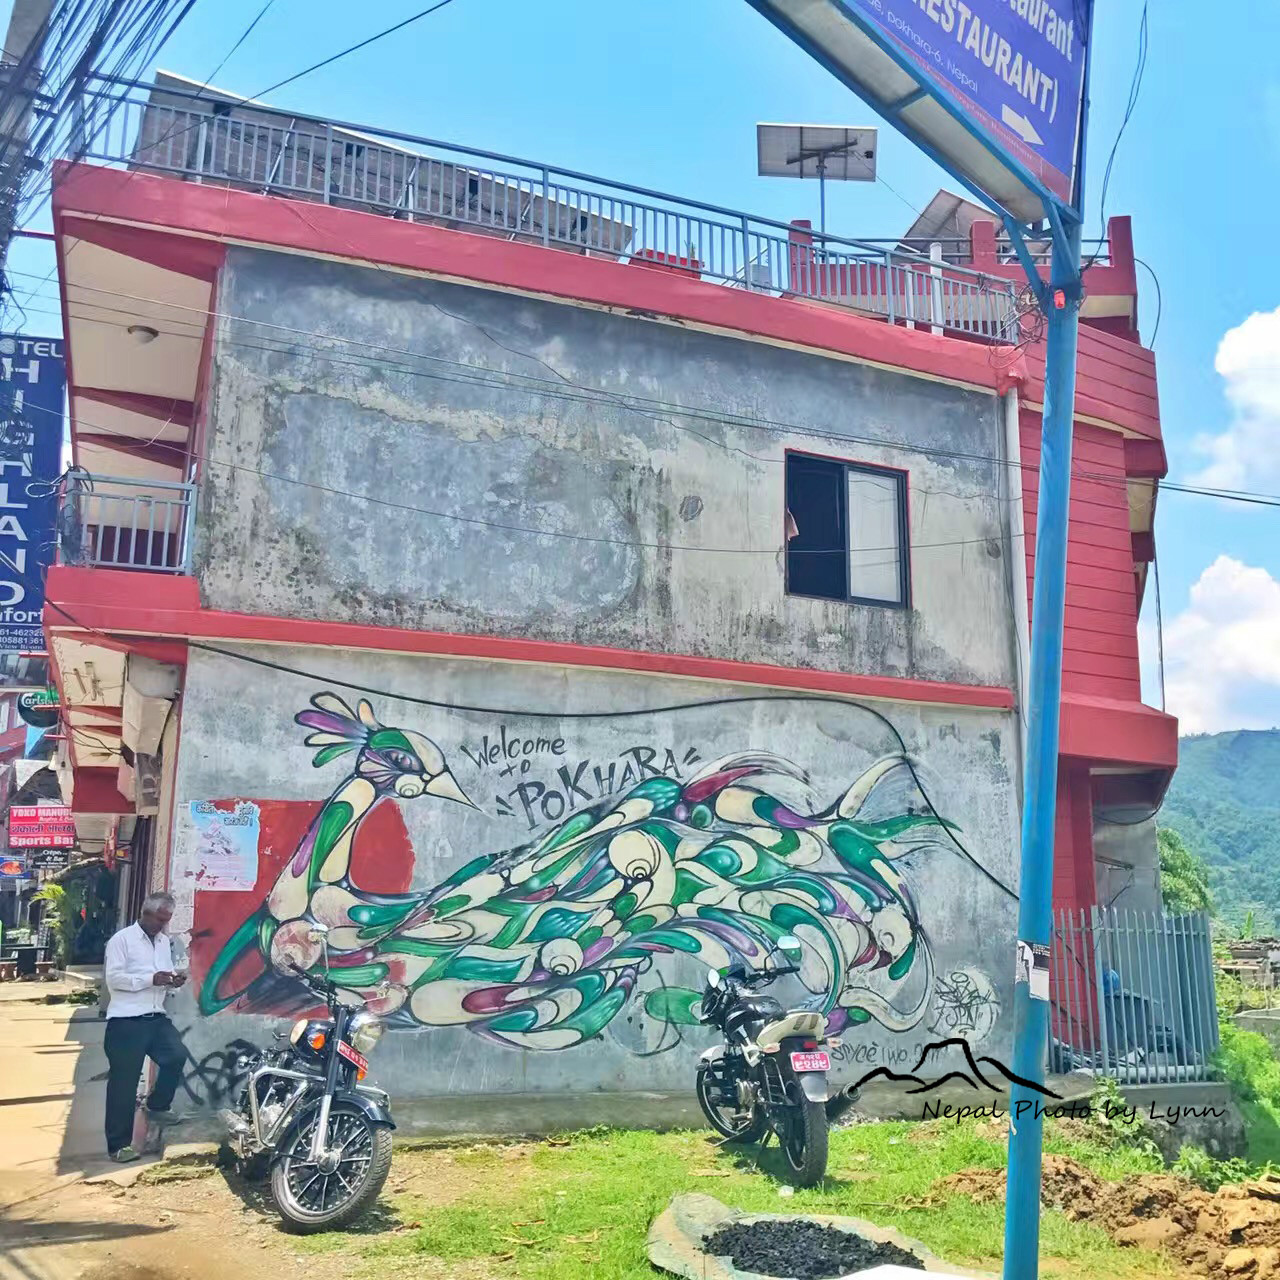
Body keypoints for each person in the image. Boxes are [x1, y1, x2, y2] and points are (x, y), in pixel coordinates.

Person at [102, 892, 188, 1163]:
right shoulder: (122, 940)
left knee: (176, 1056)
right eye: (159, 919)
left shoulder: (163, 942)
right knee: (124, 1086)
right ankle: (118, 1146)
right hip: (126, 1021)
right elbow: (114, 979)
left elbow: (162, 974)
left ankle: (157, 1106)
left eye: (167, 920)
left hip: (155, 1017)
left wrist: (173, 981)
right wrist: (150, 979)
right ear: (145, 912)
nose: (162, 925)